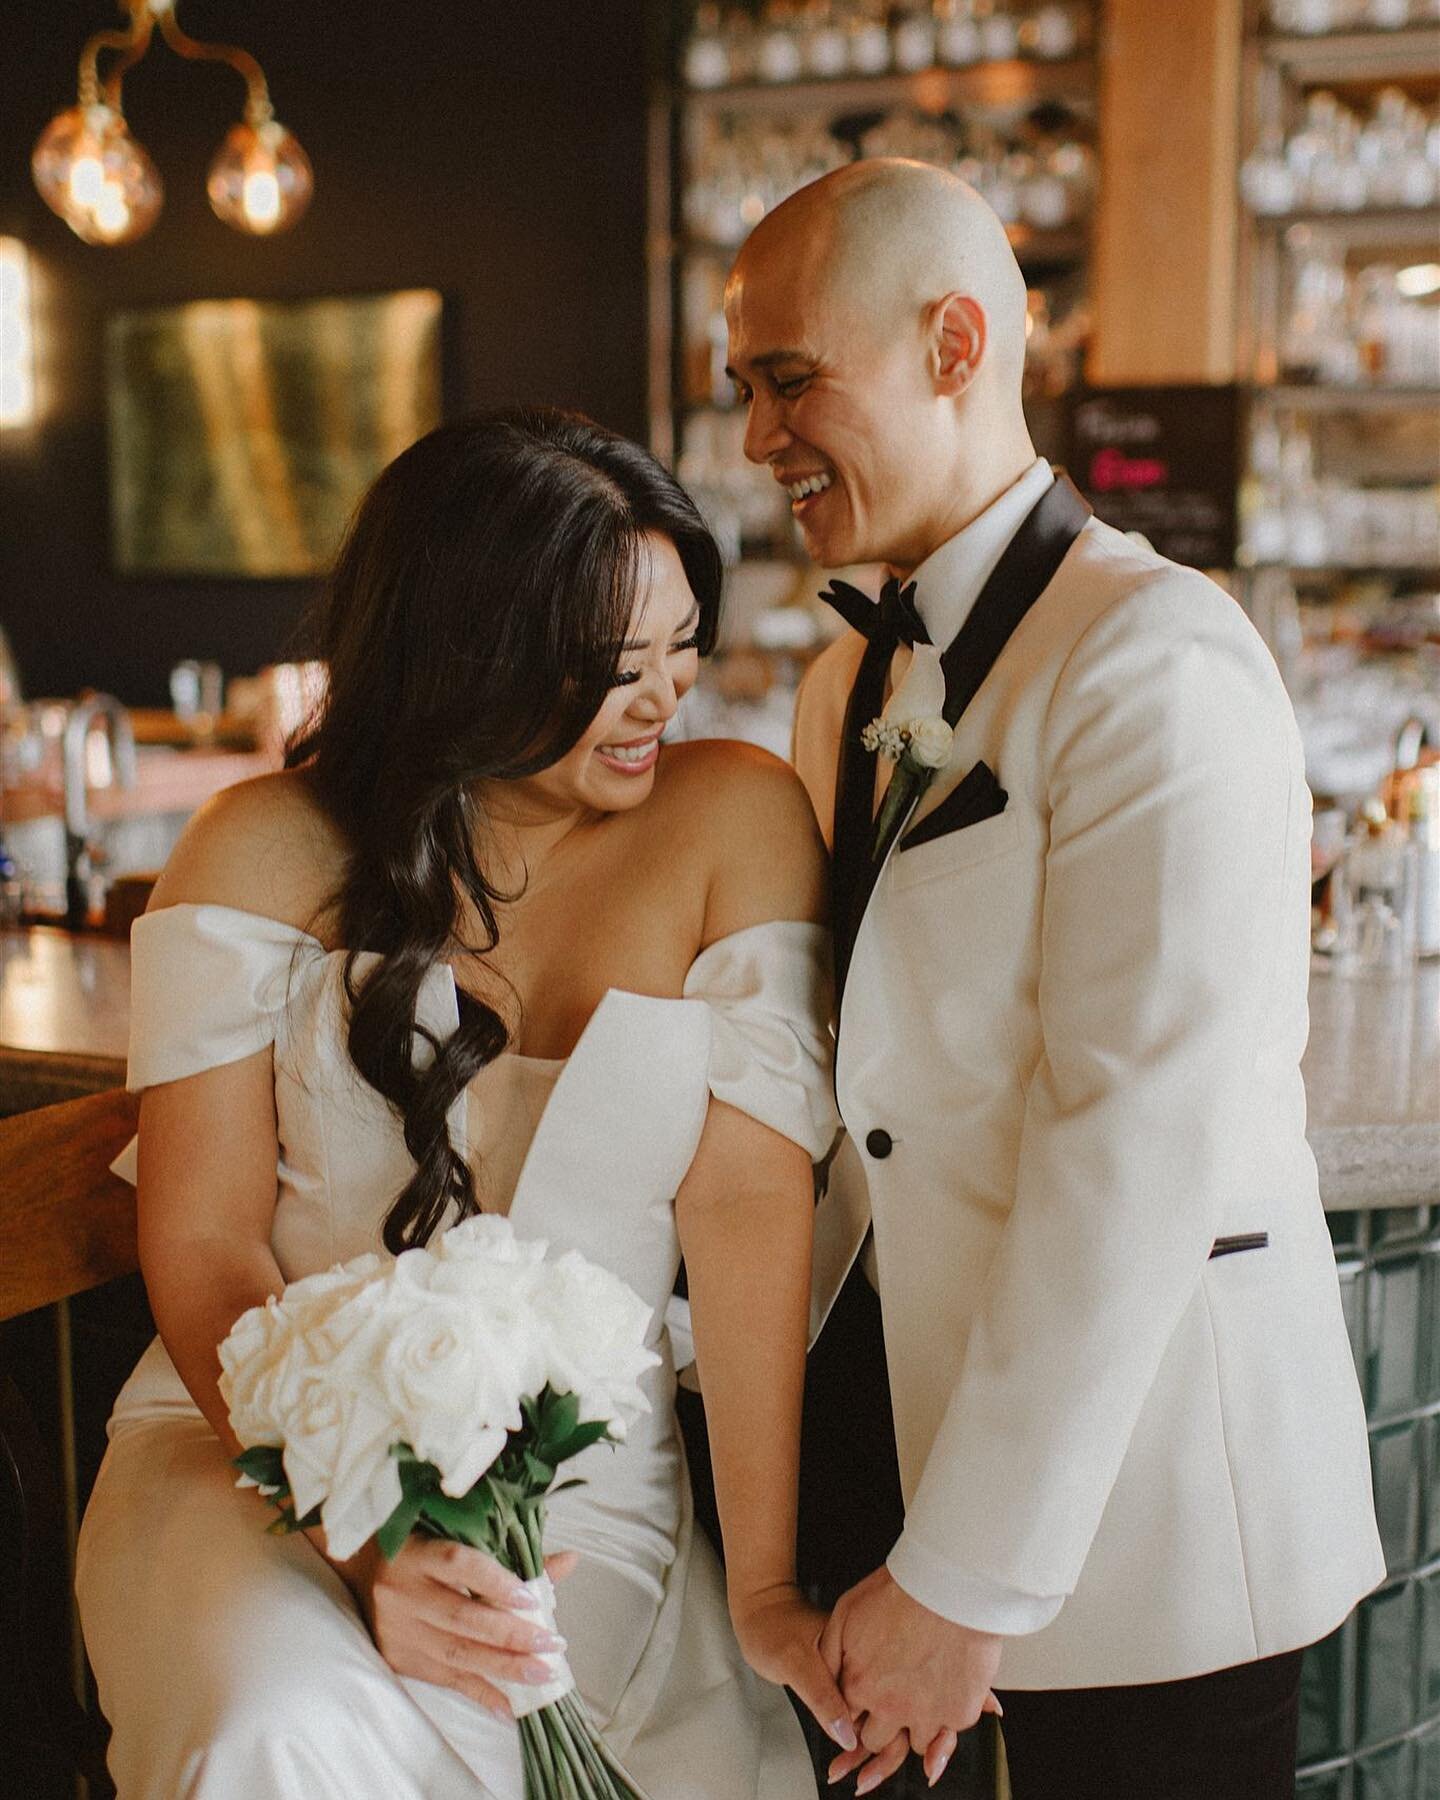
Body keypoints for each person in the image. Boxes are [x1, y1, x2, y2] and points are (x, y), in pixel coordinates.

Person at [76, 407, 855, 1800]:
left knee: (510, 1727)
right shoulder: (253, 844)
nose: (664, 700)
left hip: (584, 1501)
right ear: (466, 659)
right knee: (279, 1734)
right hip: (247, 1458)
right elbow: (202, 1243)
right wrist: (360, 1532)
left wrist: (773, 1584)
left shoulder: (734, 814)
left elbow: (747, 1207)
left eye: (684, 651)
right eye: (614, 670)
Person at [724, 159, 1385, 1799]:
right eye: (743, 390)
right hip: (894, 1469)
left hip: (1144, 1523)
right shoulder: (836, 685)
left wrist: (966, 1574)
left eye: (790, 379)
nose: (755, 439)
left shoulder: (1159, 660)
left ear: (956, 344)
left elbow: (1137, 1137)